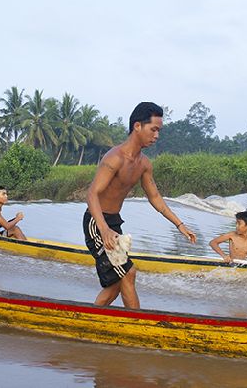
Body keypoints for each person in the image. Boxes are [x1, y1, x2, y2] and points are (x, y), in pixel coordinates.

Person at [83, 101, 196, 309]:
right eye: (153, 129)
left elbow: (155, 198)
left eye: (159, 131)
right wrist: (104, 229)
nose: (157, 136)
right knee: (128, 272)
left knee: (117, 282)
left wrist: (180, 225)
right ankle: (138, 323)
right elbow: (92, 195)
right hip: (96, 221)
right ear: (137, 126)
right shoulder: (114, 158)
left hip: (113, 223)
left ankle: (89, 318)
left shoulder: (144, 164)